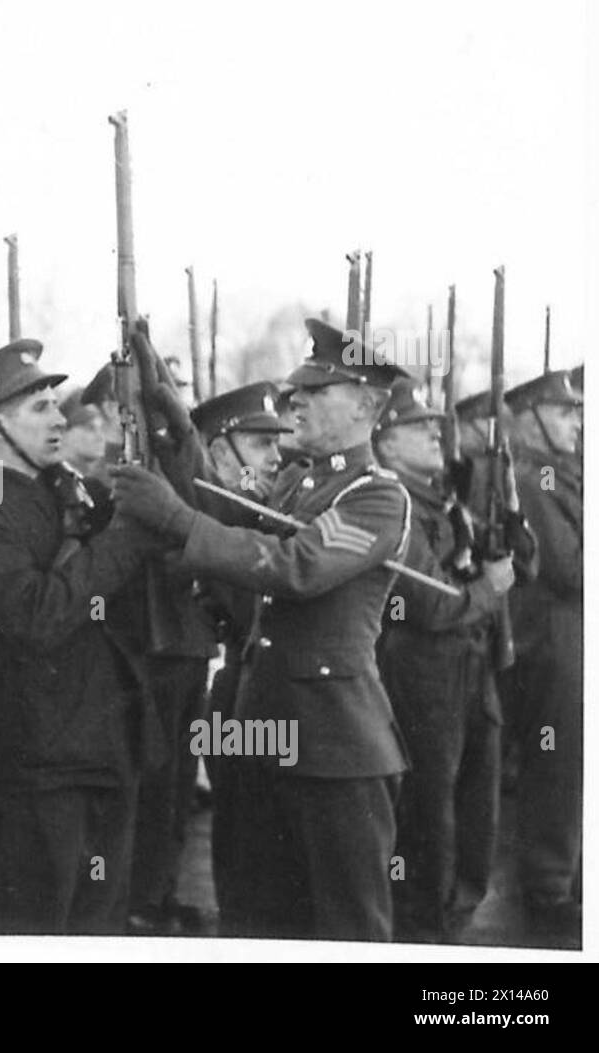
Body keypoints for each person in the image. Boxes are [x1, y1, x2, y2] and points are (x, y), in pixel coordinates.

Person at [111, 318, 411, 941]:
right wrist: (179, 433)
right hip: (262, 736)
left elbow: (294, 567)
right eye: (298, 387)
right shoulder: (304, 482)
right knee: (255, 923)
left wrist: (175, 519)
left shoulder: (376, 497)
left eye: (316, 390)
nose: (295, 398)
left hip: (335, 751)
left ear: (366, 405)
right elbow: (229, 517)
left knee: (346, 930)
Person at [0, 339, 163, 934]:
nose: (60, 419)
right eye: (39, 408)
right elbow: (39, 615)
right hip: (38, 759)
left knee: (99, 928)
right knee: (38, 927)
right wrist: (121, 540)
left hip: (105, 748)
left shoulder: (70, 492)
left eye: (55, 404)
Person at [372, 376, 517, 942]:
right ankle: (423, 928)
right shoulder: (393, 502)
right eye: (416, 426)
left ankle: (454, 914)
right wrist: (489, 588)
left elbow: (515, 567)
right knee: (429, 809)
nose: (434, 431)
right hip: (420, 667)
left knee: (476, 802)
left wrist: (507, 512)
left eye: (433, 423)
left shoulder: (445, 499)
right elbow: (428, 606)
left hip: (468, 665)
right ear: (384, 442)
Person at [185, 381, 290, 932]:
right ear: (220, 452)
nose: (277, 457)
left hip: (260, 692)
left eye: (278, 444)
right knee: (244, 841)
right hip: (228, 693)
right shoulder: (213, 518)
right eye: (260, 444)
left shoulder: (261, 515)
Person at [498, 369, 583, 947]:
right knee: (558, 757)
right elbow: (568, 567)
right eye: (561, 412)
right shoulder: (535, 475)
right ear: (528, 418)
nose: (576, 421)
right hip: (552, 636)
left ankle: (567, 874)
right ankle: (549, 882)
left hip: (572, 633)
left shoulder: (566, 473)